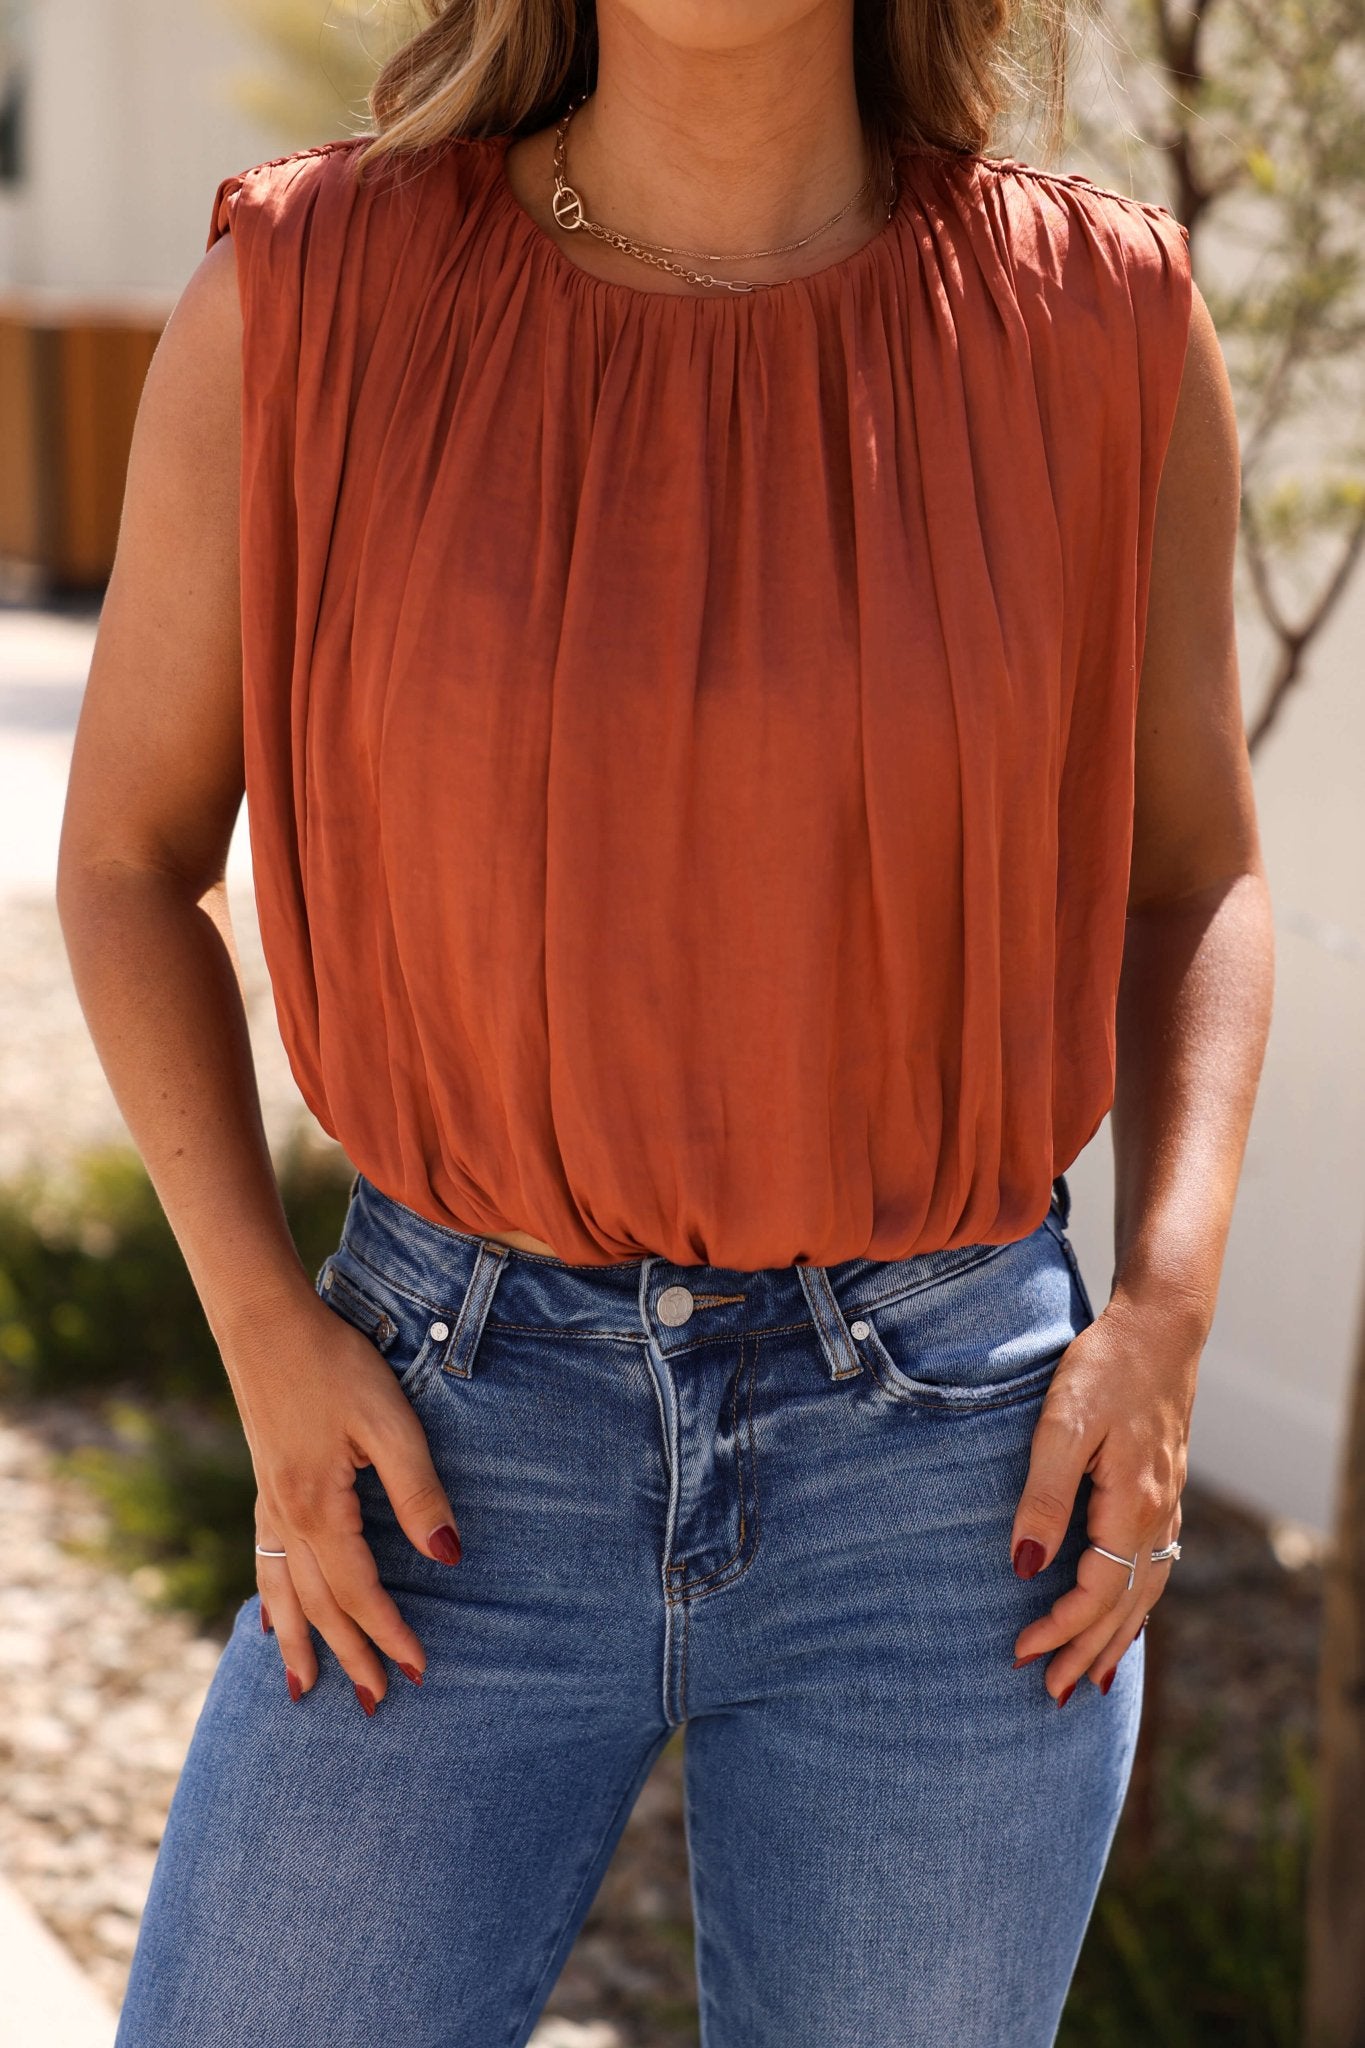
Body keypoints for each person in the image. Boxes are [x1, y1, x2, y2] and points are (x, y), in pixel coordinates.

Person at [57, 1, 1274, 2042]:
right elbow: (119, 865)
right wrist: (265, 1337)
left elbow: (1195, 876)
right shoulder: (306, 302)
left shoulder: (1093, 327)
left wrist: (1157, 1318)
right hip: (443, 1430)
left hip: (952, 1477)